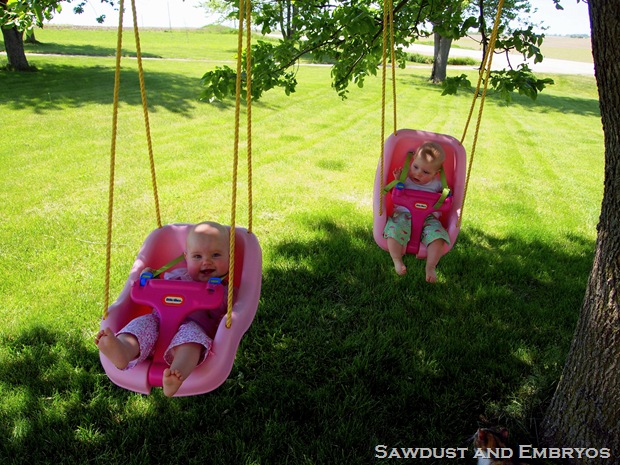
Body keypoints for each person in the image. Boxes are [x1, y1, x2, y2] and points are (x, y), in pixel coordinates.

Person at [95, 221, 230, 397]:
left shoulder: (224, 290)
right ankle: (123, 350)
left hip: (192, 328)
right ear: (186, 257)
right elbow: (153, 291)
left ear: (229, 257)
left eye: (216, 255)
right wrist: (148, 278)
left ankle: (176, 373)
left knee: (192, 343)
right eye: (197, 256)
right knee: (140, 326)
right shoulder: (177, 276)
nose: (206, 262)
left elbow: (229, 312)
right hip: (157, 322)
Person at [383, 142, 450, 283]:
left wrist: (447, 194)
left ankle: (430, 267)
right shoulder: (405, 180)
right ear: (412, 161)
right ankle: (397, 260)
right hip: (404, 215)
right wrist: (397, 181)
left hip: (428, 219)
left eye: (426, 172)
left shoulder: (438, 184)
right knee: (393, 230)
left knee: (438, 238)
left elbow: (447, 197)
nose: (418, 173)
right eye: (415, 167)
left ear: (436, 173)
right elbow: (394, 193)